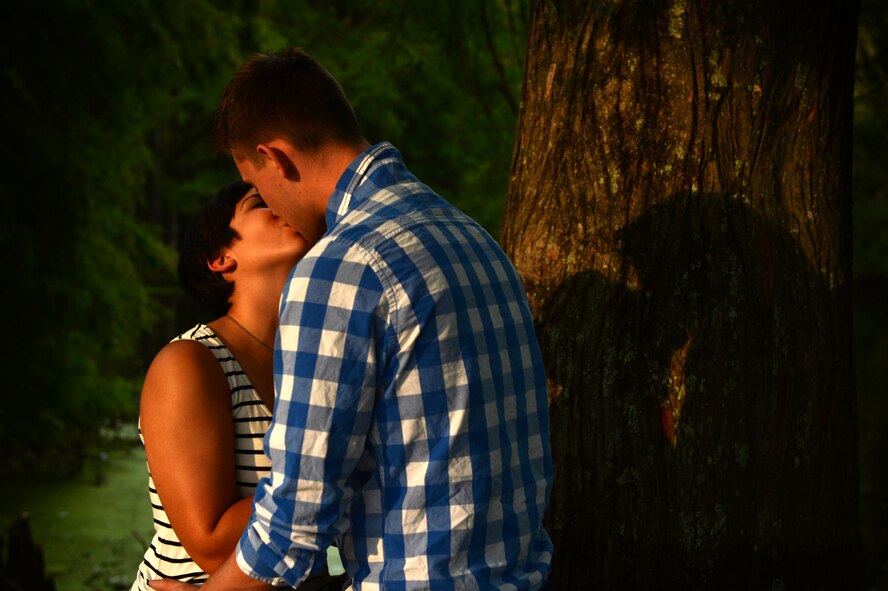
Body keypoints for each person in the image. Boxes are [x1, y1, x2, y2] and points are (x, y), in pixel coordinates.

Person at [151, 48, 553, 591]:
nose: (269, 202)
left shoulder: (342, 266)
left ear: (278, 159)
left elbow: (299, 512)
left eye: (258, 185)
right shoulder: (474, 239)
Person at [131, 181, 345, 591]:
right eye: (261, 202)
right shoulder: (190, 363)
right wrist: (343, 474)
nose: (284, 205)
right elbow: (210, 545)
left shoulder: (317, 358)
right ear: (220, 258)